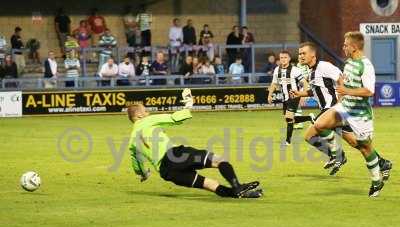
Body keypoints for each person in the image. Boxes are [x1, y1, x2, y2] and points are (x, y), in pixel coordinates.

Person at [127, 88, 262, 199]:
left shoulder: (132, 142)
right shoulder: (147, 120)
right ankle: (237, 185)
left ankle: (240, 193)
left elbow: (137, 163)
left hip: (167, 172)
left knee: (209, 184)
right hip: (175, 156)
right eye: (145, 111)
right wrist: (188, 105)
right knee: (219, 160)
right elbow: (175, 119)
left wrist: (144, 174)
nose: (148, 112)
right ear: (139, 116)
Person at [303, 32, 392, 197]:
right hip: (344, 107)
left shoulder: (366, 65)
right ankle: (338, 154)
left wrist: (346, 90)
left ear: (354, 47)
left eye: (345, 45)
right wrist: (342, 94)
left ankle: (376, 180)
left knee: (365, 148)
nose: (343, 47)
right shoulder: (349, 63)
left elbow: (369, 91)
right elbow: (344, 83)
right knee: (319, 125)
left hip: (360, 113)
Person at [290, 42, 347, 172]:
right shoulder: (311, 73)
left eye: (303, 53)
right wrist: (300, 93)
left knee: (317, 128)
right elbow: (313, 91)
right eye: (299, 54)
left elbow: (341, 78)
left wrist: (341, 100)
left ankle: (337, 155)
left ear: (313, 54)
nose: (301, 56)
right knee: (309, 137)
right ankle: (338, 156)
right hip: (325, 109)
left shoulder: (324, 66)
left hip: (331, 108)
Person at [267, 50, 314, 145]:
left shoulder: (295, 70)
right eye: (281, 58)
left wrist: (304, 95)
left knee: (289, 118)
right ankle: (309, 117)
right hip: (284, 98)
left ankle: (287, 141)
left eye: (285, 57)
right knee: (289, 119)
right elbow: (274, 83)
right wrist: (269, 95)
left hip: (294, 96)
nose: (283, 60)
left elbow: (304, 83)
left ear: (288, 59)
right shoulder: (277, 70)